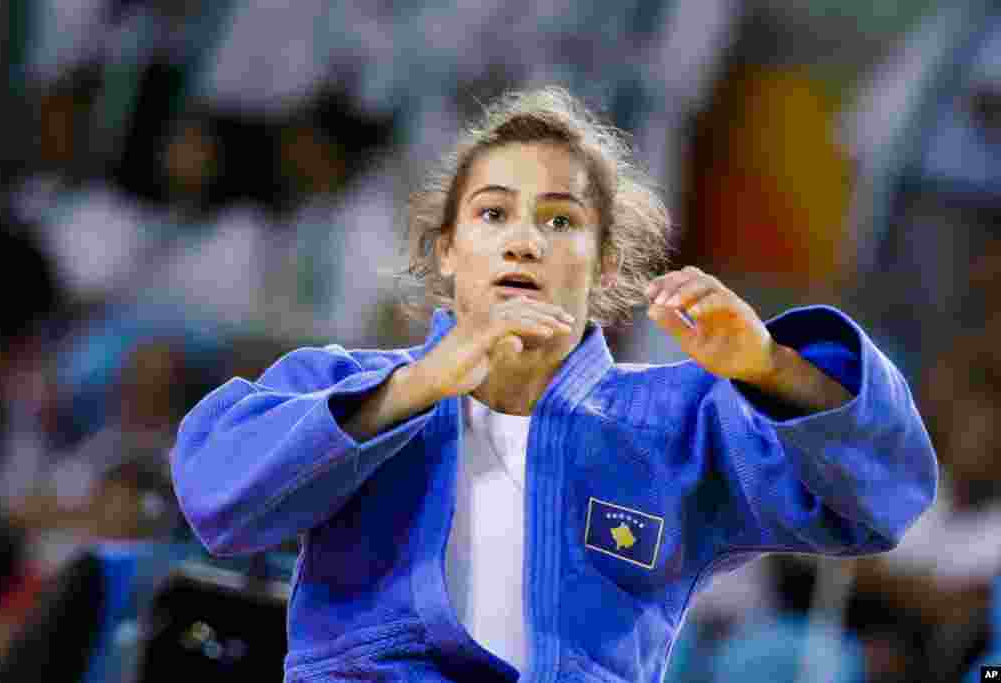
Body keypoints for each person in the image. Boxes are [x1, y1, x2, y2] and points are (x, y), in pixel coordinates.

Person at [170, 87, 938, 683]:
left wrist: (768, 366)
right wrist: (414, 388)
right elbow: (217, 496)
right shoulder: (341, 386)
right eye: (493, 212)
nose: (525, 239)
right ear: (447, 251)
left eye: (561, 221)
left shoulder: (679, 424)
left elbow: (883, 495)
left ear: (606, 265)